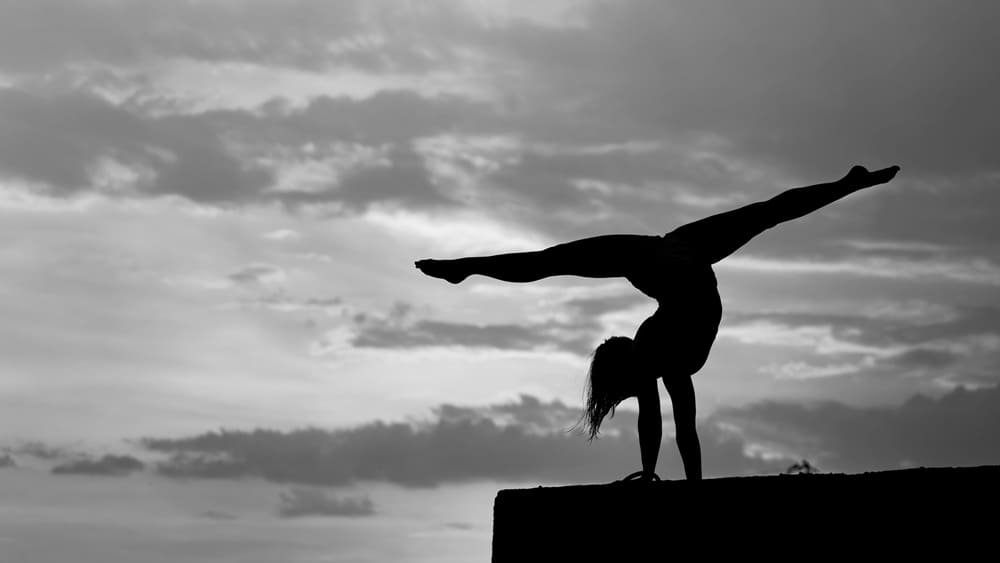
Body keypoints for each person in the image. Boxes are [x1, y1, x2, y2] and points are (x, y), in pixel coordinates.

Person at [415, 165, 901, 480]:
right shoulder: (658, 354)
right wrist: (675, 479)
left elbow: (669, 423)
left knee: (552, 261)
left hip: (670, 263)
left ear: (628, 370)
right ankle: (846, 184)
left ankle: (468, 267)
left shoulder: (657, 359)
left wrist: (664, 477)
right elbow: (676, 425)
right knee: (766, 214)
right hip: (676, 252)